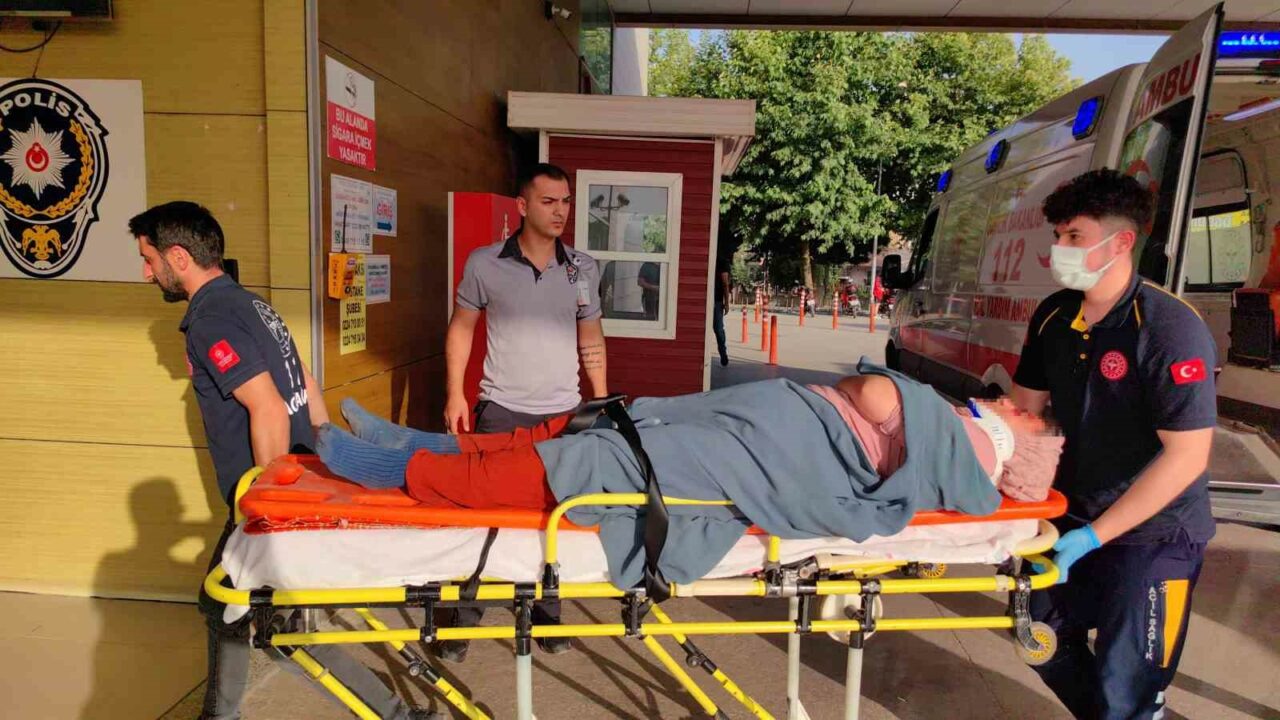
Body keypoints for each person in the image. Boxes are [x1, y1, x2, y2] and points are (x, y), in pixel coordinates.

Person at [317, 365, 1064, 589]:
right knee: (599, 421)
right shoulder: (964, 430)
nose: (1010, 401)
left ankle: (397, 468)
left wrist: (900, 394)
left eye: (1024, 413)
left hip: (767, 454)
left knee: (595, 460)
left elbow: (875, 397)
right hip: (766, 427)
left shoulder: (976, 449)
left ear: (1024, 443)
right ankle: (422, 444)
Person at [130, 202, 432, 720]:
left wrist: (271, 513)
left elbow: (268, 407)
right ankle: (395, 714)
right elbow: (306, 382)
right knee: (276, 626)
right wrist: (324, 461)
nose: (146, 272)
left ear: (178, 257)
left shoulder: (209, 321)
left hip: (270, 495)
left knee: (228, 607)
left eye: (149, 259)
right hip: (296, 481)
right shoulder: (253, 305)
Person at [1010, 169, 1217, 720]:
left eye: (1074, 236)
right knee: (1038, 637)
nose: (1059, 248)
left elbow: (1188, 456)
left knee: (1127, 685)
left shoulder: (1169, 328)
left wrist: (1096, 536)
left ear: (1121, 242)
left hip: (1155, 535)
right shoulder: (1055, 314)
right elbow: (1024, 412)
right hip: (1069, 515)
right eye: (1058, 235)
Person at [439, 162, 607, 660]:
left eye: (566, 201)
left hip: (562, 415)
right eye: (548, 201)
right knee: (485, 516)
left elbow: (591, 336)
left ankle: (547, 613)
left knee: (554, 516)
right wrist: (455, 393)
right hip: (501, 411)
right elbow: (462, 328)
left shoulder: (582, 268)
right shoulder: (485, 263)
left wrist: (600, 400)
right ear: (522, 206)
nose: (560, 211)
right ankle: (463, 618)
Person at [712, 227, 734, 366]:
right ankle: (723, 353)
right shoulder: (723, 262)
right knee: (718, 328)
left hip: (707, 298)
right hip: (717, 300)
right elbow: (725, 283)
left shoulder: (710, 258)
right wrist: (727, 302)